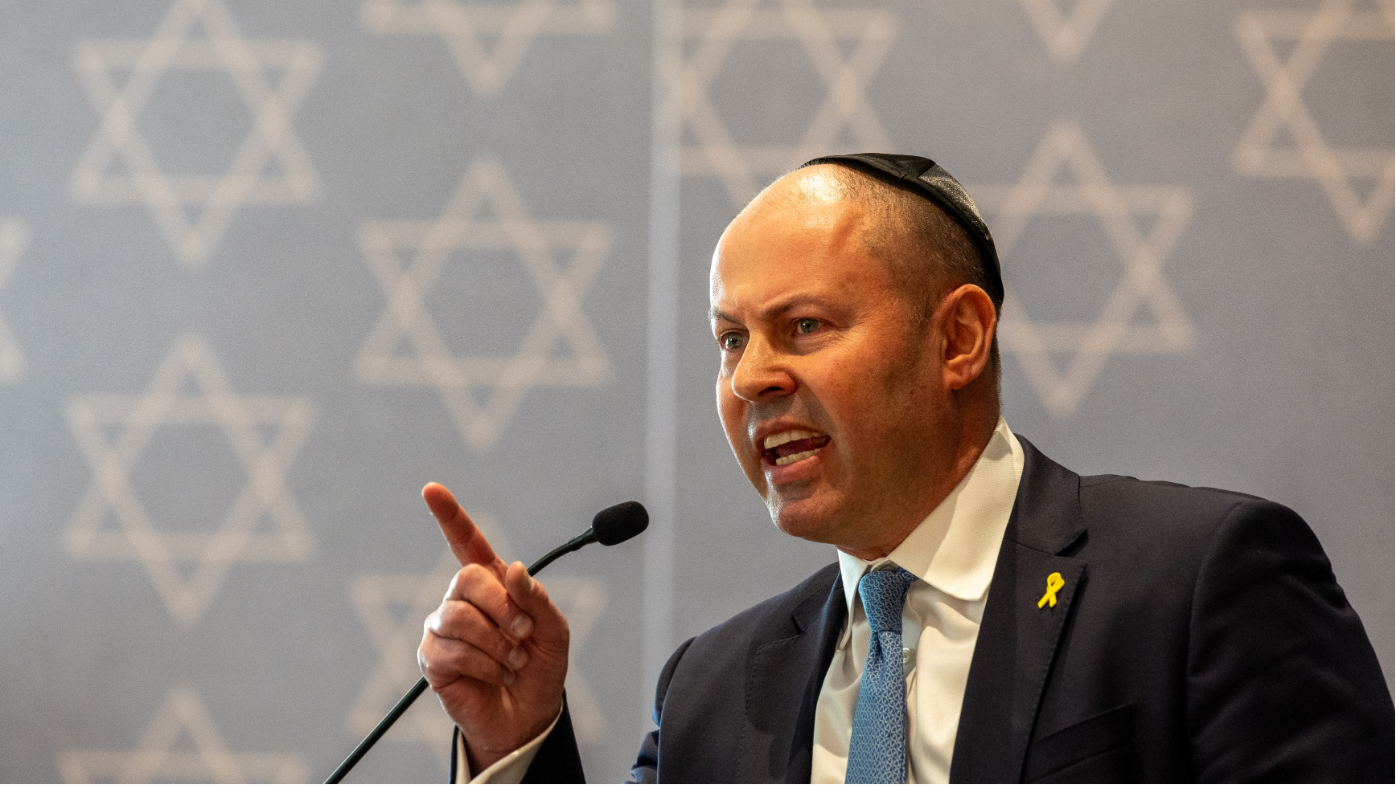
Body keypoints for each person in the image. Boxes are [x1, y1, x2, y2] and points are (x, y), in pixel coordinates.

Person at [416, 154, 1394, 783]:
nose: (750, 378)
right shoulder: (714, 686)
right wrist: (517, 741)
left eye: (802, 326)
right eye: (727, 341)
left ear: (958, 336)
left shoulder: (1193, 581)